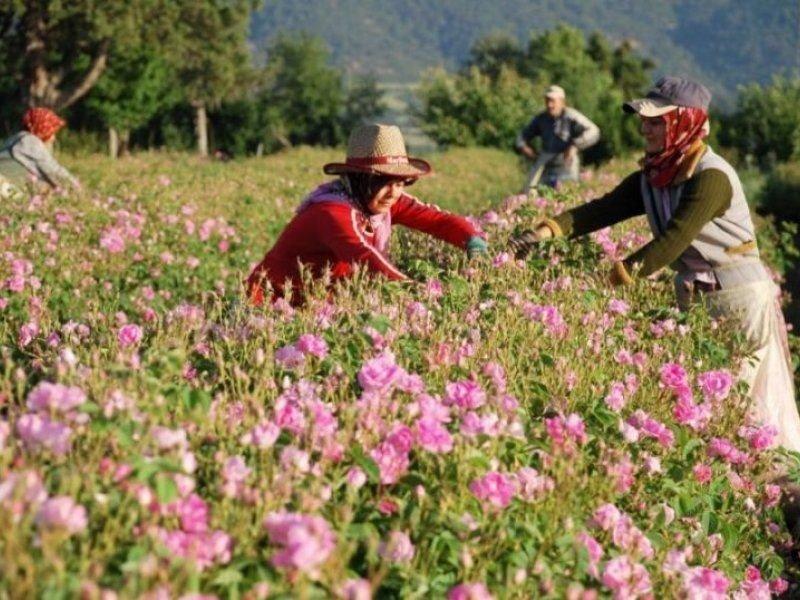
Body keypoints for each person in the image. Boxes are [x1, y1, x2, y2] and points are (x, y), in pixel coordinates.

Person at [509, 76, 800, 455]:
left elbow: (673, 240)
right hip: (701, 298)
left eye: (656, 121)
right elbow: (601, 210)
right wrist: (542, 233)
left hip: (738, 300)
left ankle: (777, 490)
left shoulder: (710, 177)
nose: (645, 128)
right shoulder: (656, 175)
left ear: (685, 122)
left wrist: (607, 281)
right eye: (644, 120)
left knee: (744, 401)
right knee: (712, 402)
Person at [246, 123, 487, 305]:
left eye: (402, 182)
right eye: (384, 181)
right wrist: (418, 293)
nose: (394, 192)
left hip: (314, 305)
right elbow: (363, 257)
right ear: (359, 179)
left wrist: (472, 240)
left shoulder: (379, 200)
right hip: (268, 304)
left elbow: (437, 220)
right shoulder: (330, 212)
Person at [515, 85, 600, 192]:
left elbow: (594, 130)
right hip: (545, 161)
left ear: (562, 102)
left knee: (569, 192)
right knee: (530, 191)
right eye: (547, 101)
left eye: (553, 101)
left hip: (566, 162)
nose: (549, 105)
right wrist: (525, 148)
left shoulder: (571, 116)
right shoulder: (541, 118)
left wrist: (575, 145)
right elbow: (521, 136)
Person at [0, 107, 80, 195]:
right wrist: (76, 185)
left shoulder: (15, 139)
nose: (53, 138)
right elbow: (53, 170)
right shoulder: (31, 141)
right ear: (43, 129)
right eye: (51, 132)